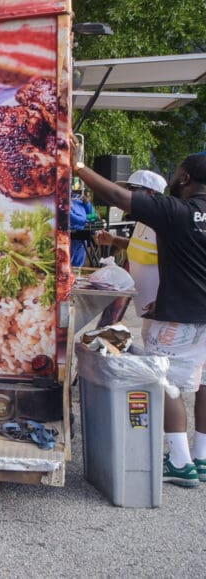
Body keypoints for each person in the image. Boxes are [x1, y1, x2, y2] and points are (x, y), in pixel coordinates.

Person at [73, 148, 206, 487]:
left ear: (184, 178)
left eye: (176, 171)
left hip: (181, 315)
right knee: (204, 384)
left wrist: (78, 166)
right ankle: (201, 456)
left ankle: (180, 461)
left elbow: (117, 196)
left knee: (166, 382)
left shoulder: (176, 211)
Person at [92, 169, 167, 318]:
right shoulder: (143, 219)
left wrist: (164, 299)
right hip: (144, 302)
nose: (128, 195)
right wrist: (113, 240)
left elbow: (177, 263)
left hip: (158, 305)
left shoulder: (163, 223)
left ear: (151, 193)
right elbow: (138, 246)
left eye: (132, 189)